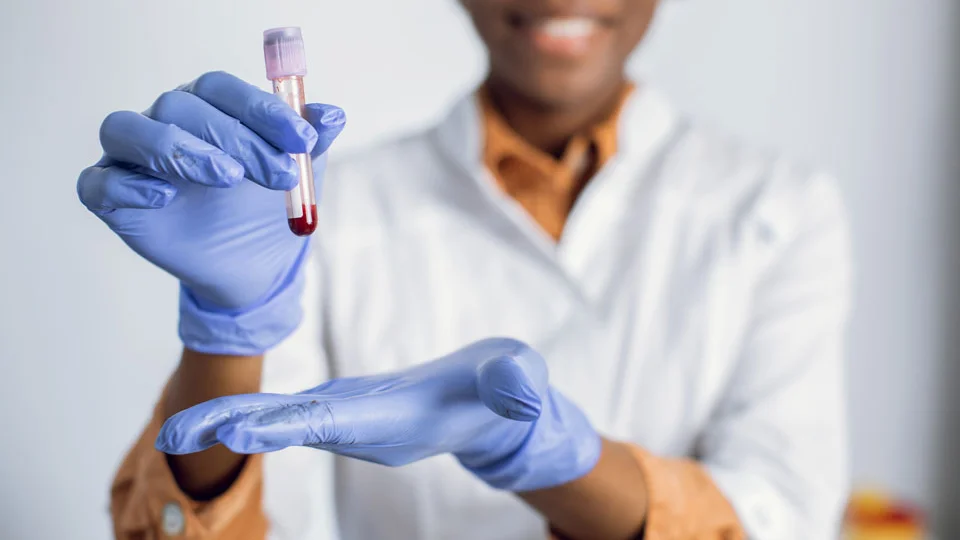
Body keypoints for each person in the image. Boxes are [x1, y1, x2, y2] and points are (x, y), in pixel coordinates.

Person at [77, 0, 852, 538]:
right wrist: (228, 326)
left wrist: (550, 462)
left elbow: (781, 519)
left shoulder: (779, 209)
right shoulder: (315, 206)